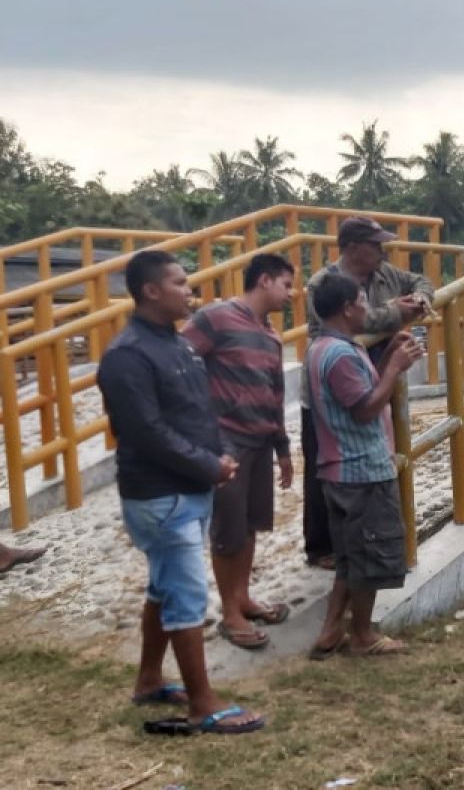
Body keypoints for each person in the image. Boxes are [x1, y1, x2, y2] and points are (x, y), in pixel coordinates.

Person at [97, 249, 264, 734]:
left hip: (188, 487)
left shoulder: (179, 346)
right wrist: (208, 465)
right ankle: (203, 704)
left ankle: (150, 680)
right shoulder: (128, 355)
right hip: (161, 496)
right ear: (151, 290)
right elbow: (144, 432)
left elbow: (199, 412)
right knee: (186, 596)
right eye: (180, 282)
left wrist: (223, 452)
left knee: (163, 588)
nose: (189, 290)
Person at [301, 216, 433, 570]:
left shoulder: (386, 274)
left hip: (372, 377)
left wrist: (420, 297)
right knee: (324, 469)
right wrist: (394, 314)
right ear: (353, 247)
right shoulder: (322, 285)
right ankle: (324, 547)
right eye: (375, 244)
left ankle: (363, 541)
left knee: (374, 452)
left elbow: (420, 280)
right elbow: (327, 329)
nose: (382, 250)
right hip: (334, 389)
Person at [305, 274, 424, 659]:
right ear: (346, 308)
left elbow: (363, 389)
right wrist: (394, 372)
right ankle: (362, 635)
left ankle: (329, 632)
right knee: (369, 557)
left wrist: (390, 355)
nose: (368, 309)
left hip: (342, 470)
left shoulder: (327, 347)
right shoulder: (339, 355)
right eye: (362, 302)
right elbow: (365, 408)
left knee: (350, 556)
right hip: (360, 471)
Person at [182, 252, 295, 650]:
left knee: (249, 524)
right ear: (264, 280)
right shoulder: (215, 318)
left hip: (261, 442)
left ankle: (243, 597)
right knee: (227, 530)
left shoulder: (270, 335)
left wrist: (282, 448)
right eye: (286, 284)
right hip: (224, 443)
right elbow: (179, 364)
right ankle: (230, 613)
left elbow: (276, 394)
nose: (290, 294)